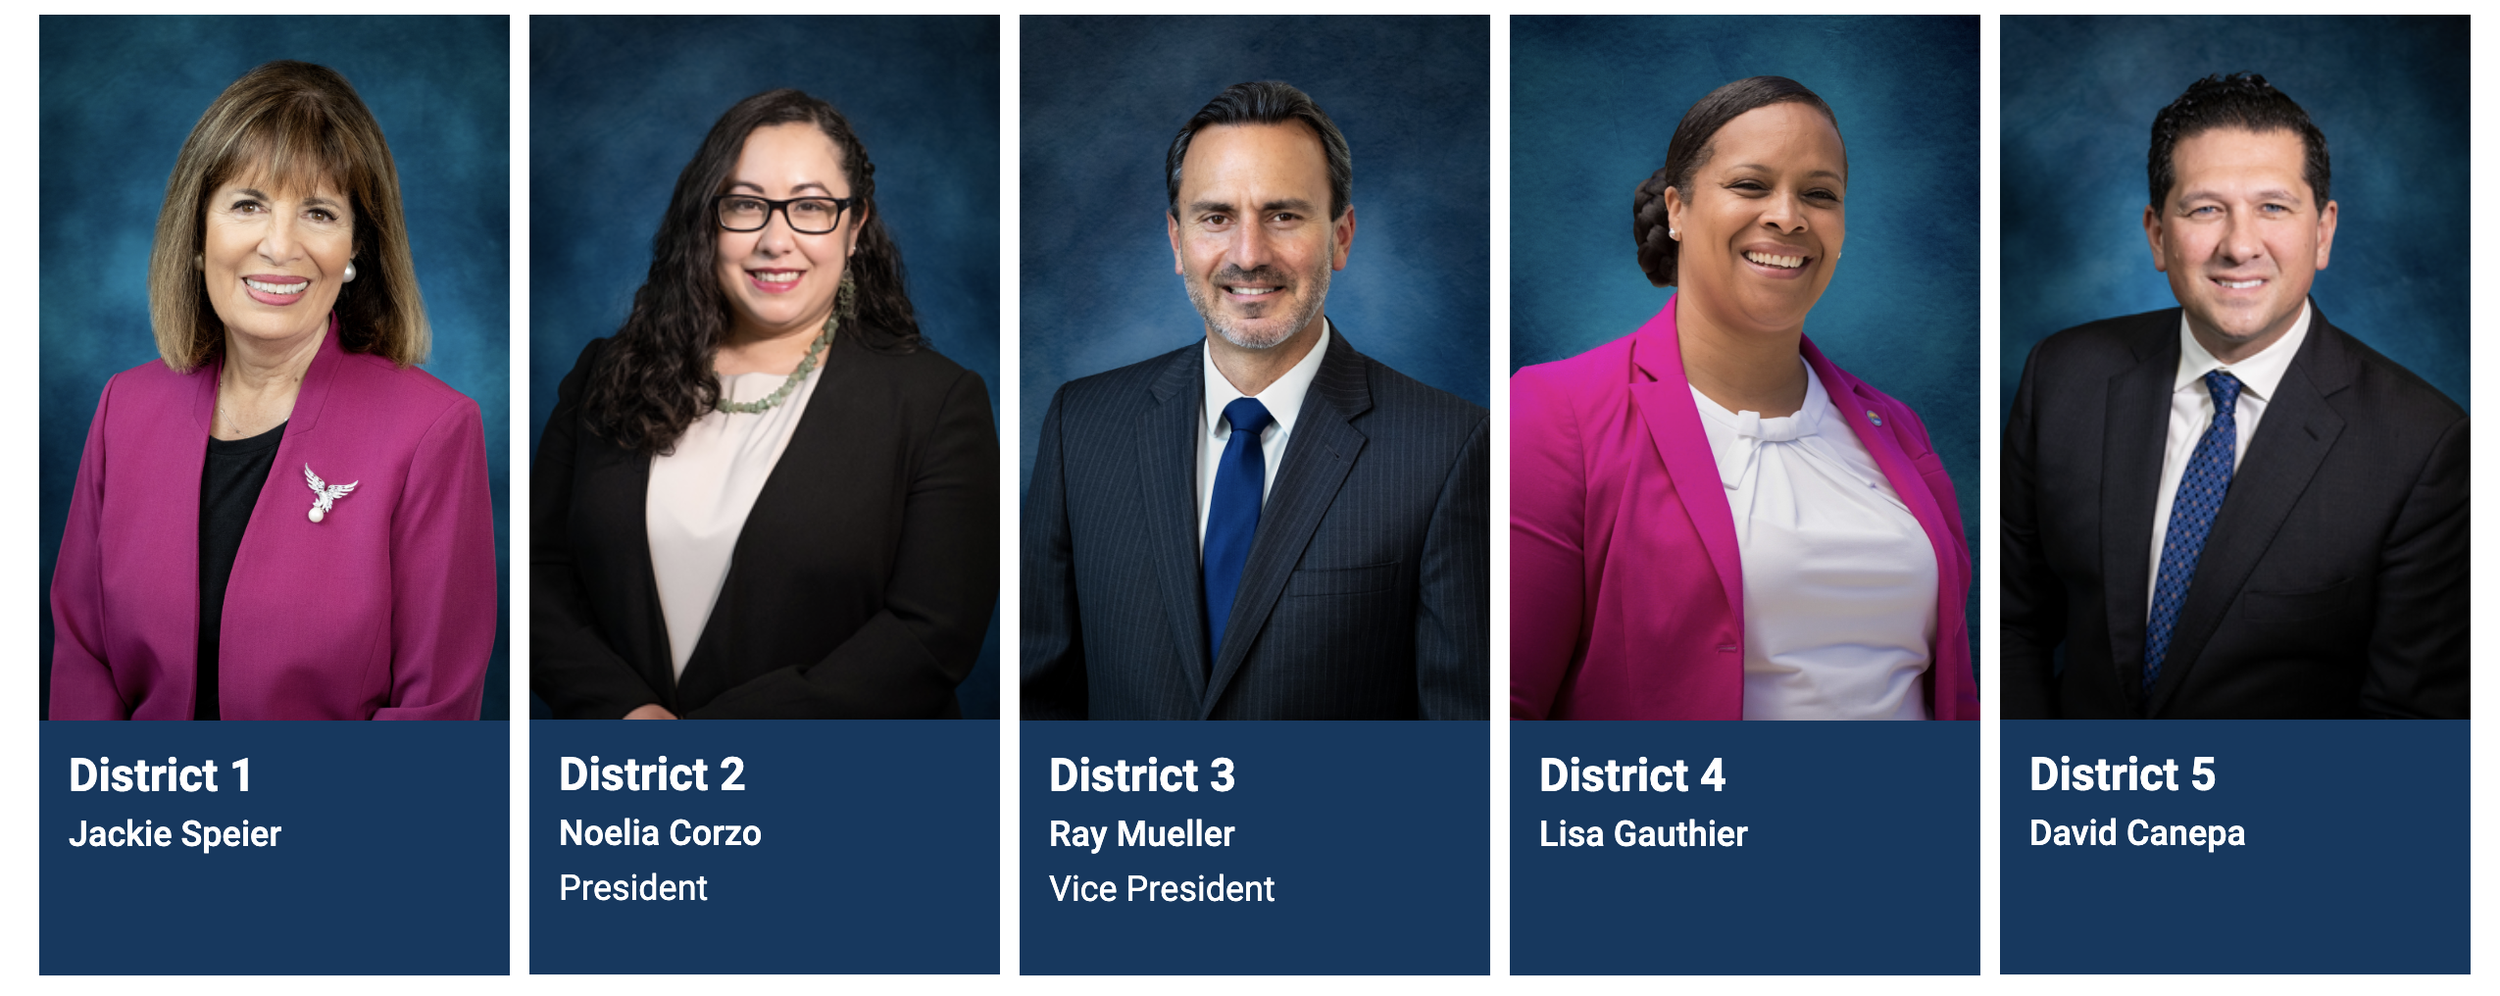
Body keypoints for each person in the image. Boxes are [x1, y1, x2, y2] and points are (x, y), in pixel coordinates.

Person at [2002, 73, 2467, 719]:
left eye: (2273, 207)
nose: (2239, 245)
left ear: (2323, 232)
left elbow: (2406, 728)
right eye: (2205, 209)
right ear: (2158, 235)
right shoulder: (2064, 376)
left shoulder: (2423, 445)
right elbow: (2009, 628)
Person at [1511, 76, 1976, 721]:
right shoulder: (1552, 414)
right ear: (1677, 209)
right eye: (1751, 185)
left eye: (1819, 194)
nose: (1788, 216)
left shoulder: (1896, 428)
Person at [1022, 80, 1488, 720]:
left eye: (1283, 215)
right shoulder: (1083, 427)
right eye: (1216, 217)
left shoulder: (1447, 448)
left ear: (1342, 235)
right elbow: (1038, 704)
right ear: (1177, 241)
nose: (1248, 254)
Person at [49, 60, 496, 720]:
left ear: (355, 251)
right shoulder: (125, 408)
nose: (280, 246)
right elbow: (82, 661)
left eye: (318, 212)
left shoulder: (432, 431)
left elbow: (435, 715)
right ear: (199, 234)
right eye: (248, 204)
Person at [532, 89, 997, 719]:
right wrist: (627, 715)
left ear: (855, 226)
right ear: (708, 220)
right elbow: (542, 577)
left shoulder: (935, 402)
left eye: (810, 207)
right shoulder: (603, 374)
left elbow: (929, 633)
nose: (776, 240)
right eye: (747, 206)